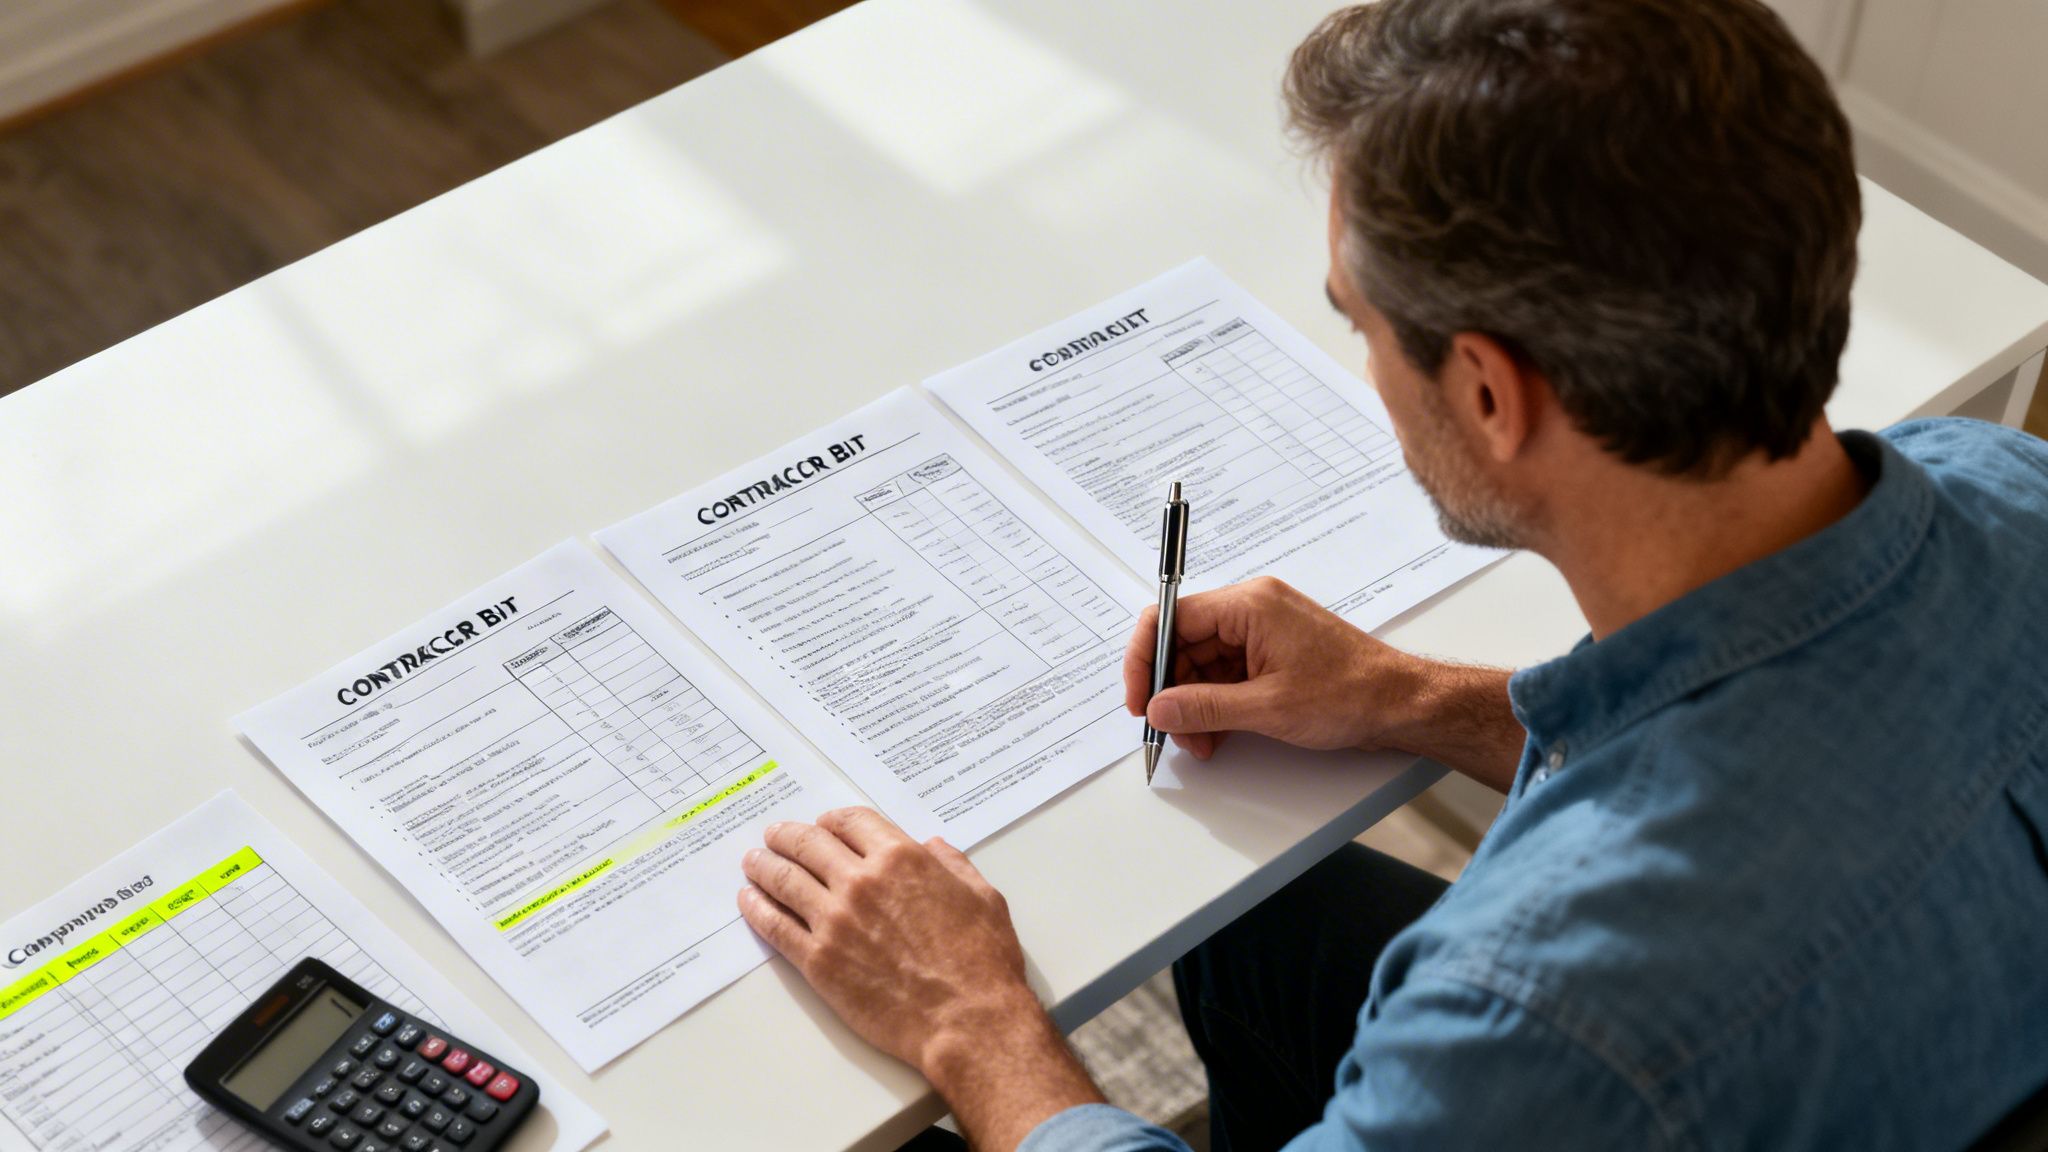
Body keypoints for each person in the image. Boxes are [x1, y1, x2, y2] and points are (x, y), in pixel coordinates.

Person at [734, 0, 2048, 1147]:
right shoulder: (2002, 481)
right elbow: (1777, 727)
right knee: (1264, 928)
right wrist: (1407, 695)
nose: (1363, 364)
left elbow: (1575, 1008)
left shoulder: (1528, 1018)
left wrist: (977, 1027)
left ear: (1486, 390)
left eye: (1359, 326)